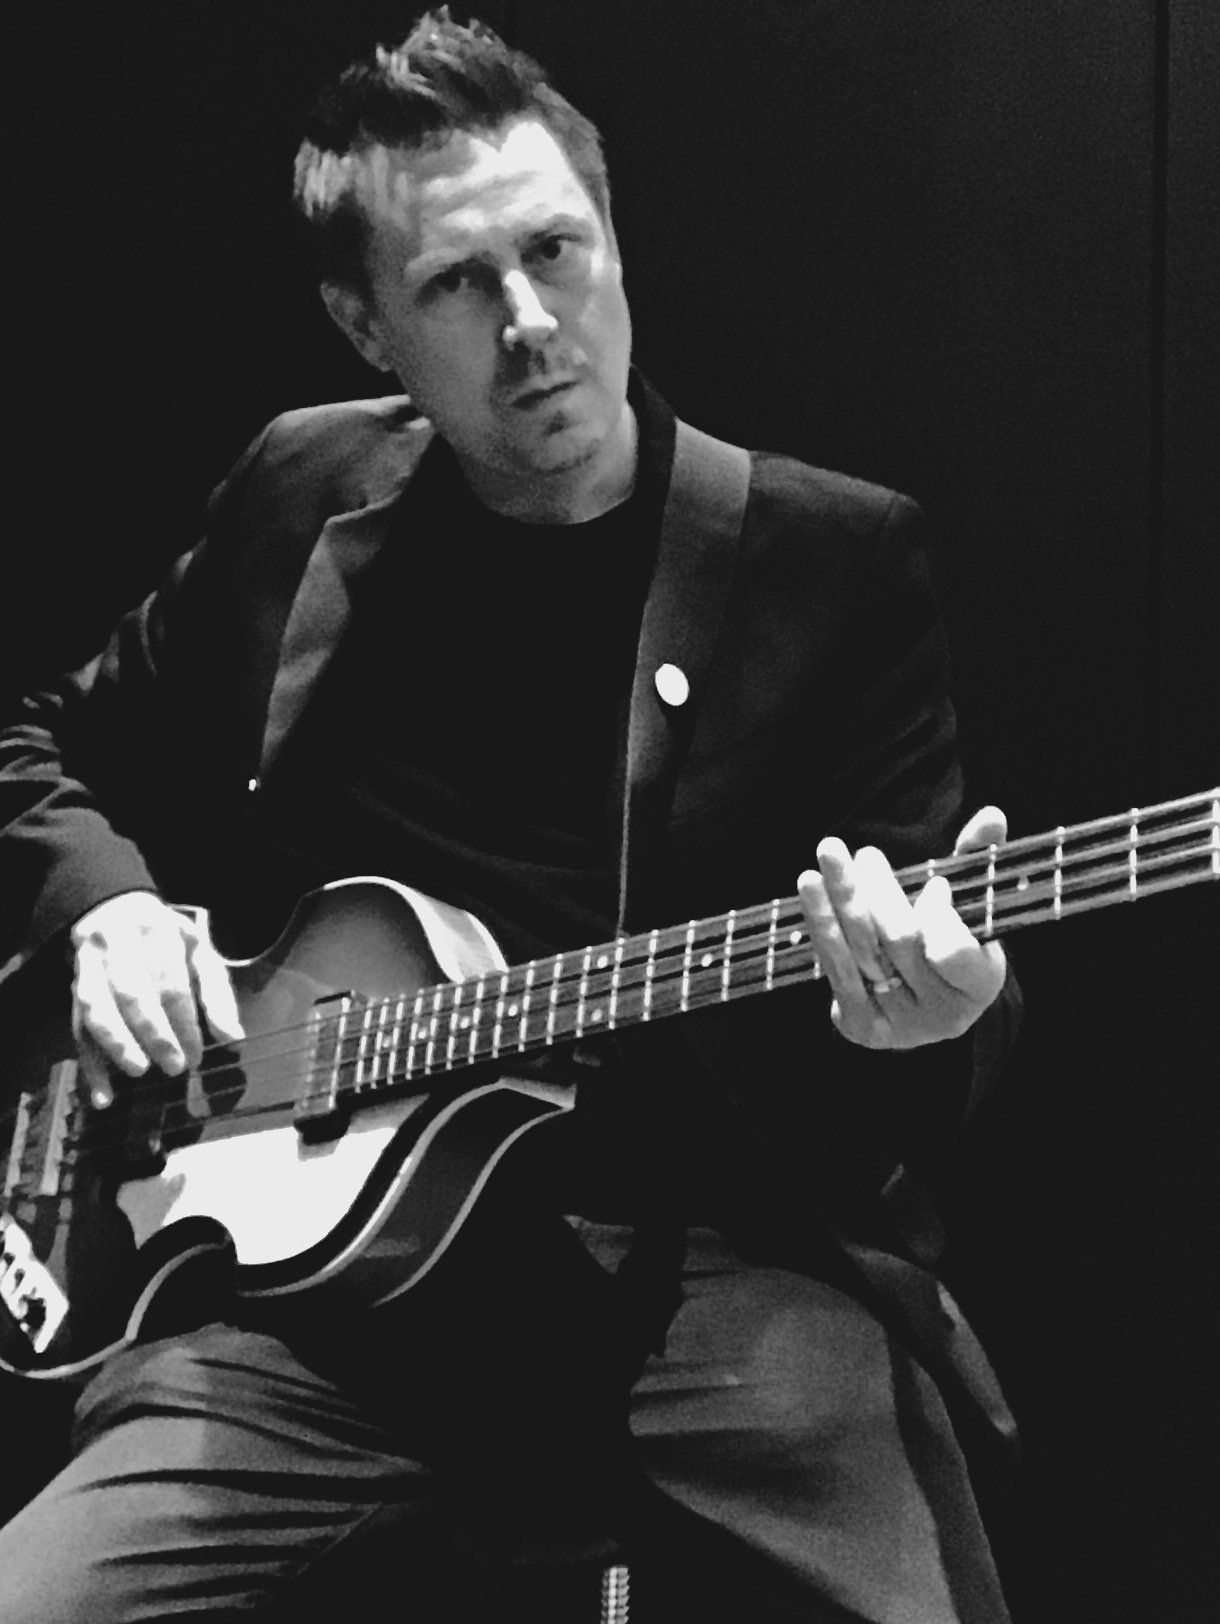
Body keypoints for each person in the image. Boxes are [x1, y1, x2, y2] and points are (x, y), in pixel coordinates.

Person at [0, 11, 1022, 1620]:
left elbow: (923, 976)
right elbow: (35, 743)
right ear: (366, 326)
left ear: (617, 240)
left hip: (705, 1270)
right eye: (460, 285)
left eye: (560, 250)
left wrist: (929, 1016)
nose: (534, 325)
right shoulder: (301, 488)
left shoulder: (826, 557)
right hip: (305, 1303)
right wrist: (108, 907)